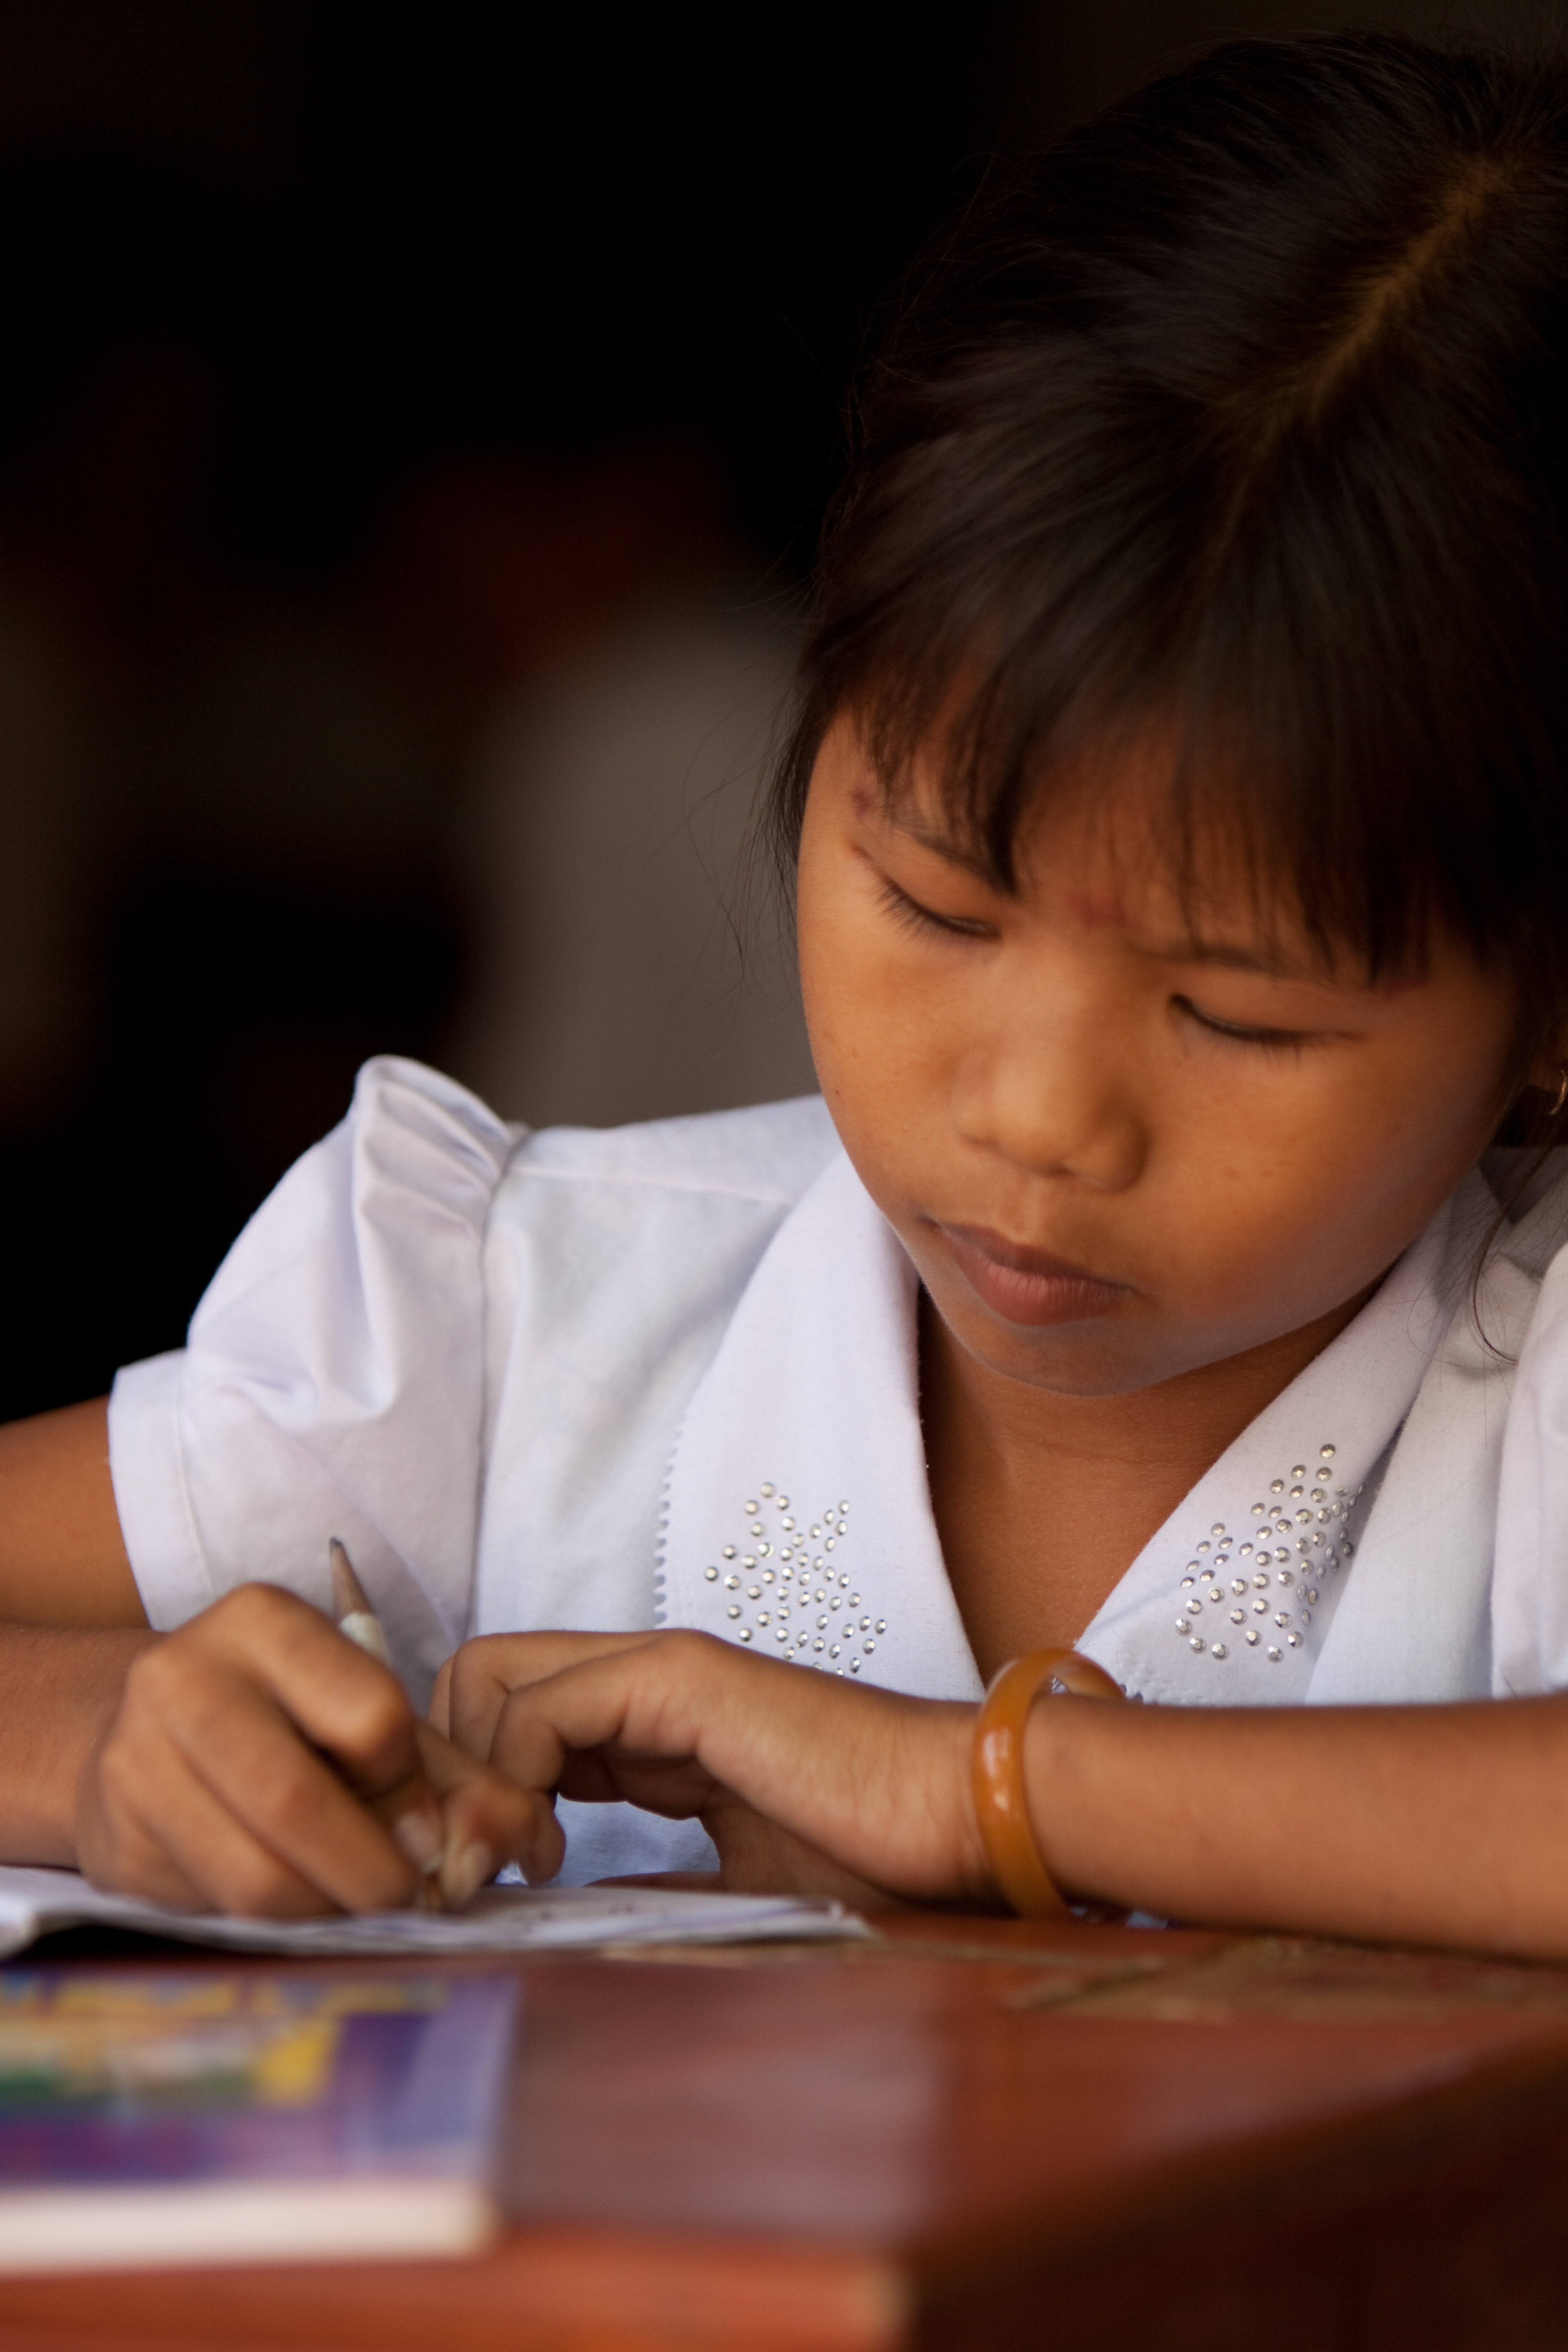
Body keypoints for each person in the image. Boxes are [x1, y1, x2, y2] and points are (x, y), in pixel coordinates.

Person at [5, 29, 1568, 1948]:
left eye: (1242, 1016)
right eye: (935, 904)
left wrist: (972, 1783)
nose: (1034, 1116)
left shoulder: (1533, 1402)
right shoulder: (514, 1341)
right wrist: (86, 1737)